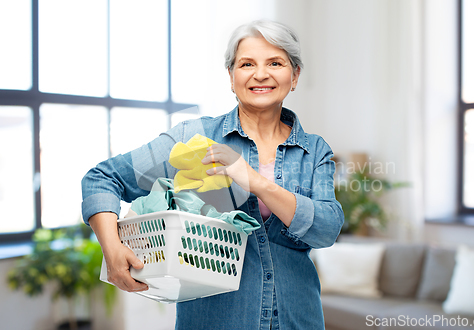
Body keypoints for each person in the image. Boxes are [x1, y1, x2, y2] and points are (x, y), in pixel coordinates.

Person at [82, 19, 344, 330]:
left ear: (295, 74)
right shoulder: (194, 137)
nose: (261, 74)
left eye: (275, 62)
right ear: (231, 77)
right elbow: (102, 178)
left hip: (296, 320)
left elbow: (327, 228)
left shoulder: (314, 151)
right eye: (247, 64)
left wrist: (253, 180)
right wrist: (111, 249)